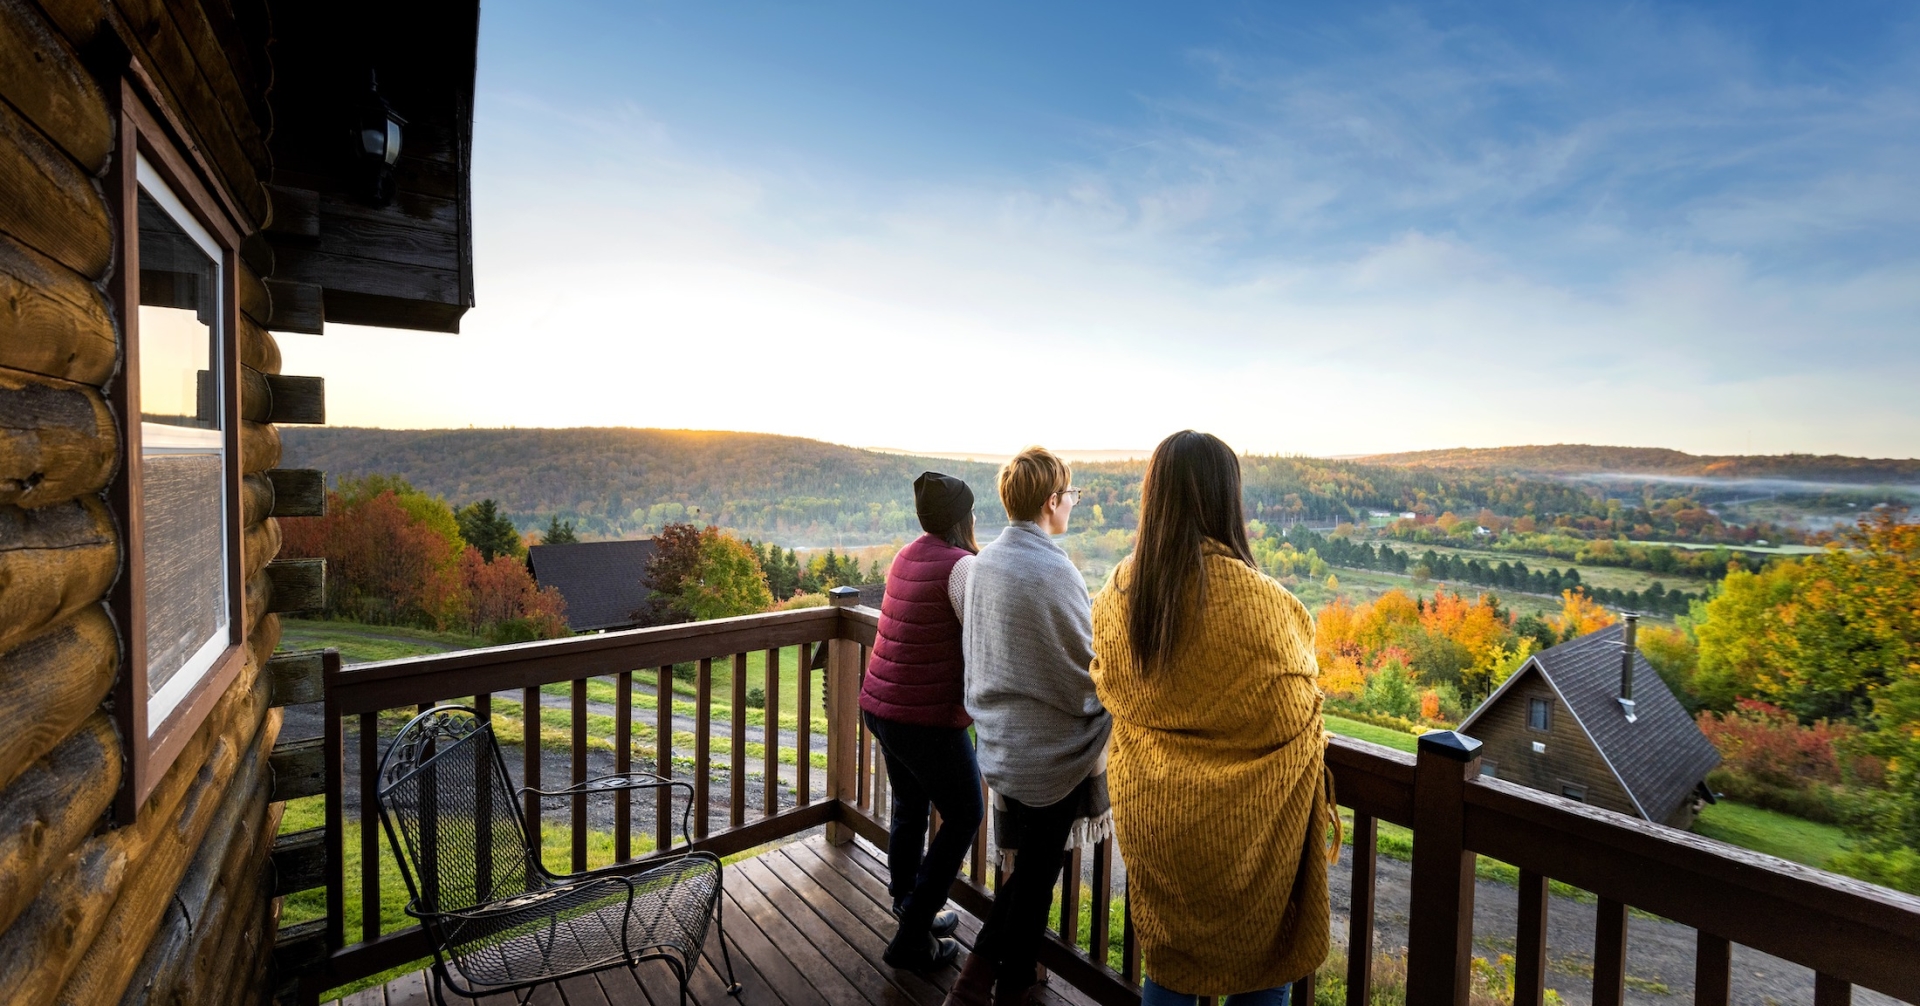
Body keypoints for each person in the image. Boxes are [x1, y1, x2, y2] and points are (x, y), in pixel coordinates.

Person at [1089, 431, 1337, 1006]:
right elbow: (1296, 706)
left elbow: (1110, 680)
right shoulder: (1265, 603)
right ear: (1229, 499)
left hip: (1156, 817)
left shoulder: (1123, 590)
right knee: (1263, 961)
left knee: (1168, 966)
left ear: (1155, 497)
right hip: (1252, 829)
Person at [944, 447, 1113, 1006]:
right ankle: (980, 983)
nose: (1074, 504)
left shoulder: (981, 562)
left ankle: (1013, 979)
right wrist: (1116, 693)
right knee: (1037, 874)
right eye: (1072, 496)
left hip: (998, 743)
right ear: (1051, 502)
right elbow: (1079, 675)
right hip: (1050, 754)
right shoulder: (1055, 569)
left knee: (1037, 866)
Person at [861, 472, 985, 971]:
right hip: (923, 718)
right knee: (966, 814)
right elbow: (982, 641)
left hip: (882, 707)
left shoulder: (906, 555)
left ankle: (908, 904)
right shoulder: (961, 568)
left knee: (910, 807)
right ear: (964, 517)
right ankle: (912, 931)